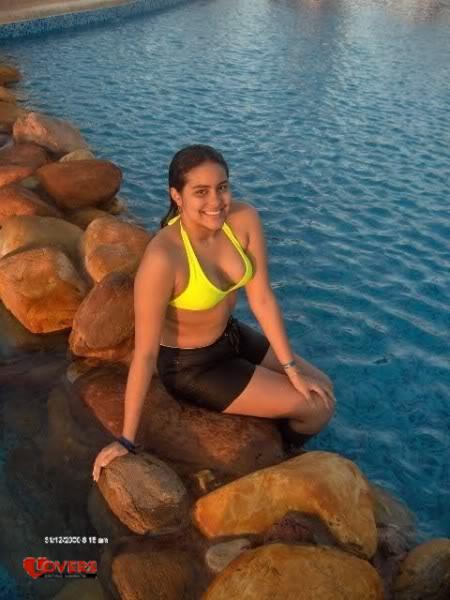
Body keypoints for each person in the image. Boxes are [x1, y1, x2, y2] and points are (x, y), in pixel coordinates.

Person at [92, 144, 334, 481]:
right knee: (316, 408)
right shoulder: (164, 257)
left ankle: (276, 435)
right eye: (201, 192)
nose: (216, 201)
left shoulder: (244, 219)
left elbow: (262, 299)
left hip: (231, 336)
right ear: (176, 196)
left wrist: (291, 369)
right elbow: (145, 354)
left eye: (222, 187)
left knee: (323, 387)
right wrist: (126, 440)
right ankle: (280, 455)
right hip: (194, 366)